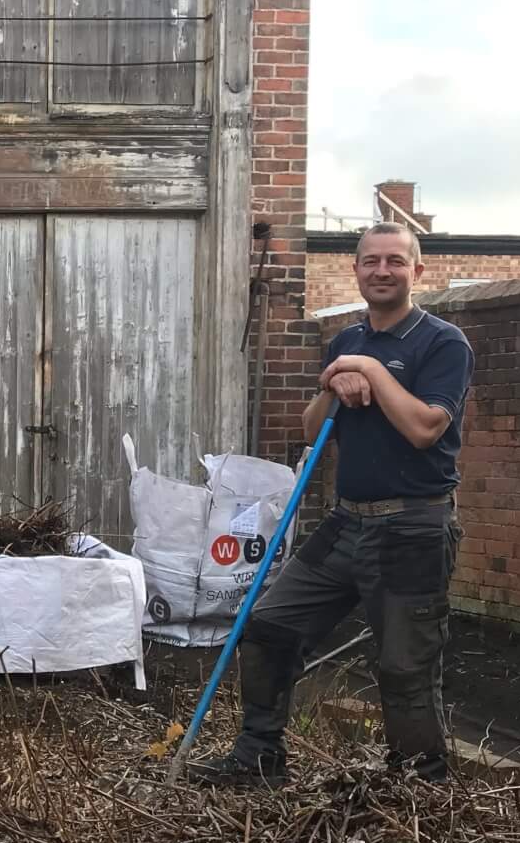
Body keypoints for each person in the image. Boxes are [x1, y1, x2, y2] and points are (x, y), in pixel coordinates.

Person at [193, 221, 473, 788]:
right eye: (371, 261)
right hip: (347, 521)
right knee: (268, 626)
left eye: (396, 261)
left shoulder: (442, 343)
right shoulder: (346, 341)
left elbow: (424, 430)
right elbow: (311, 427)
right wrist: (332, 379)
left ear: (417, 272)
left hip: (412, 526)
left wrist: (369, 371)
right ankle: (259, 759)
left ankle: (419, 788)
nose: (382, 271)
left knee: (404, 666)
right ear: (356, 269)